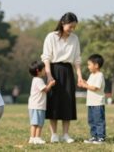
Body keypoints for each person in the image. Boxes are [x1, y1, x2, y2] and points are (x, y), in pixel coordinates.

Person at [41, 12, 83, 143]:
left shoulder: (74, 39)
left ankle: (65, 134)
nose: (72, 30)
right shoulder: (51, 37)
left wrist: (80, 76)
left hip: (68, 71)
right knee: (54, 101)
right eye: (70, 26)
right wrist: (48, 75)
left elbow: (77, 59)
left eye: (74, 27)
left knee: (67, 102)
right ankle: (54, 134)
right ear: (63, 23)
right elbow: (46, 58)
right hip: (54, 70)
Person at [79, 54, 106, 144]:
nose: (88, 66)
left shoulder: (99, 75)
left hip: (98, 103)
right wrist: (84, 82)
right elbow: (89, 84)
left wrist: (85, 85)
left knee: (98, 121)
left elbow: (95, 88)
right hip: (91, 103)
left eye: (89, 64)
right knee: (91, 121)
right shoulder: (92, 75)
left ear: (96, 65)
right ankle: (94, 136)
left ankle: (101, 137)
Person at [28, 61, 56, 144]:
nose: (45, 71)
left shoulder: (35, 80)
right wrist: (51, 84)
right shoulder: (38, 80)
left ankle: (32, 138)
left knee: (34, 123)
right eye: (44, 69)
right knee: (39, 123)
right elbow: (46, 90)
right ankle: (37, 137)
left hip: (34, 105)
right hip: (38, 106)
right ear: (38, 71)